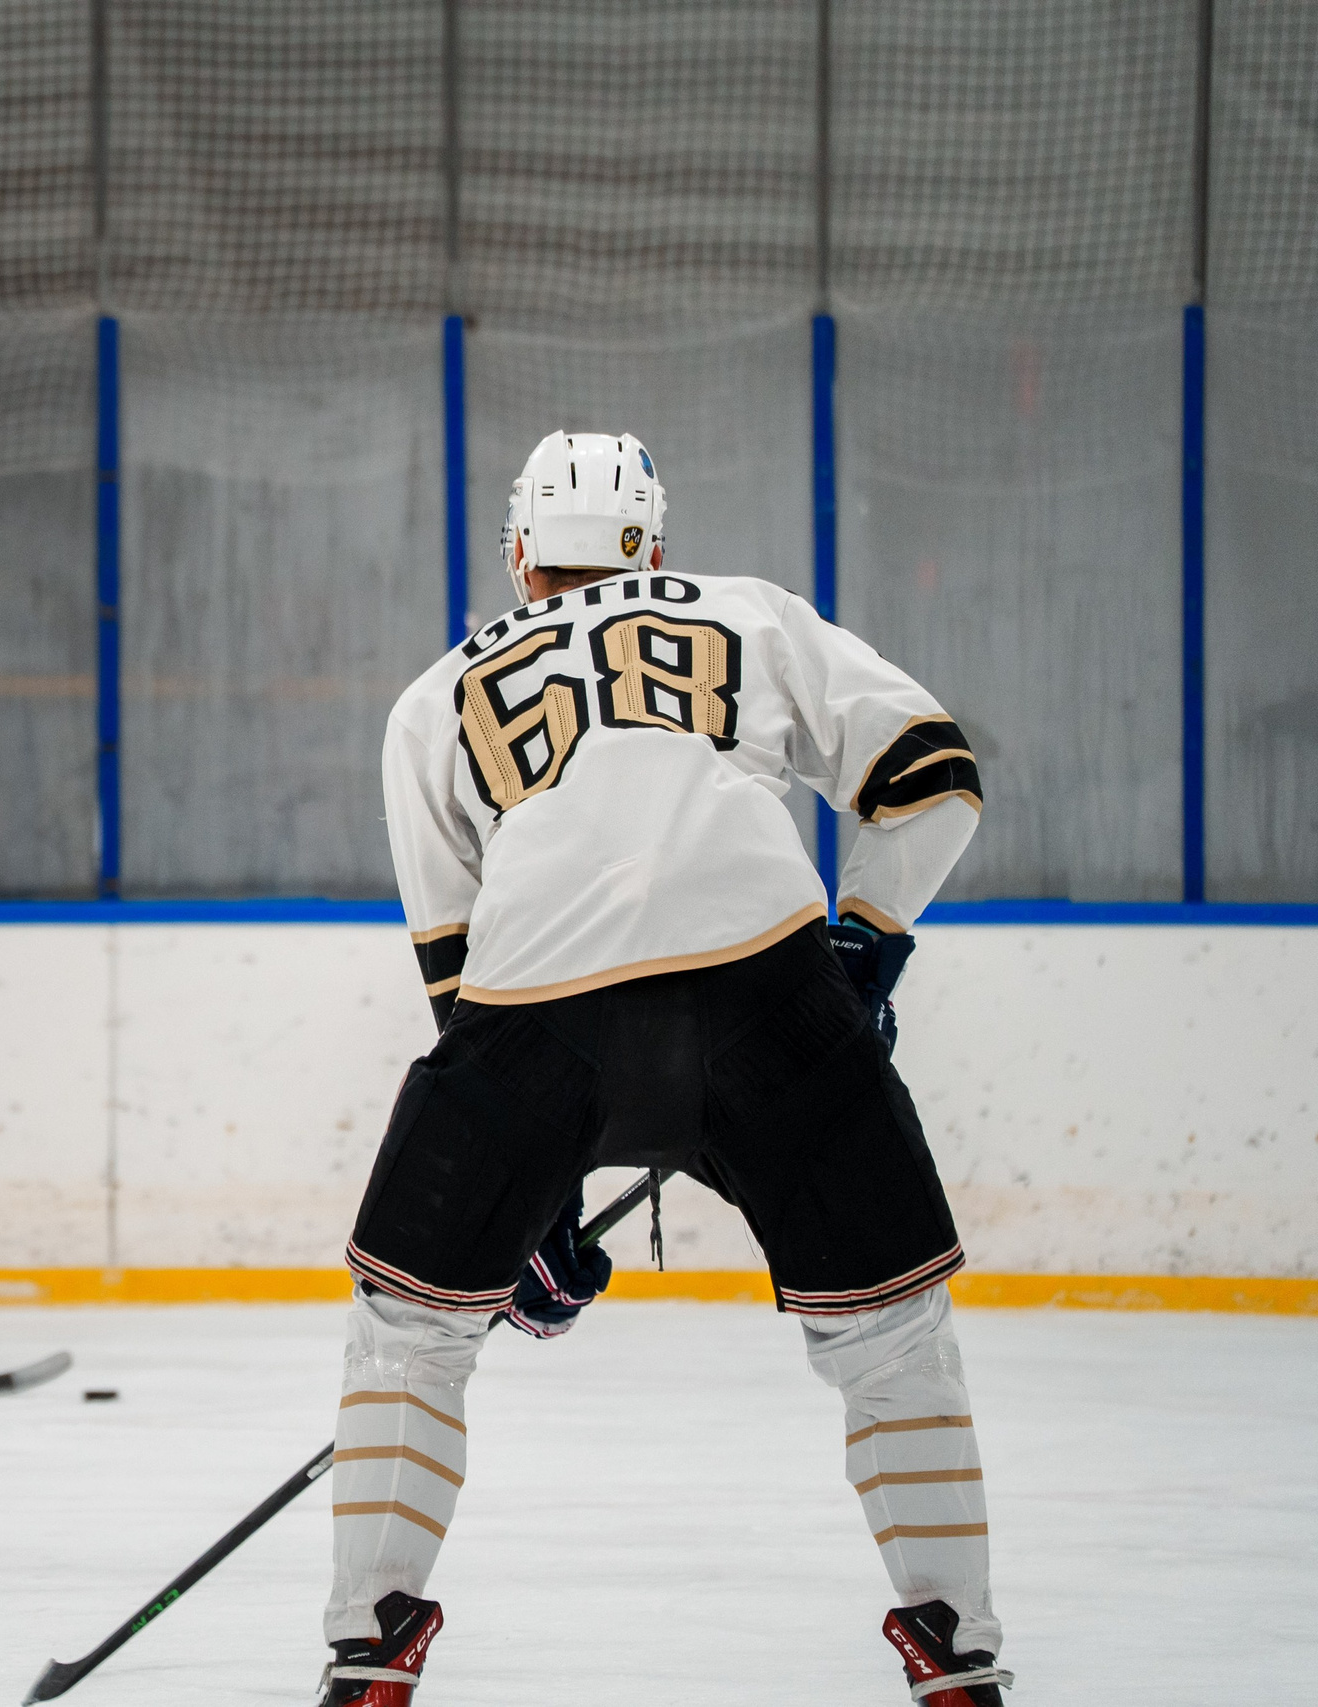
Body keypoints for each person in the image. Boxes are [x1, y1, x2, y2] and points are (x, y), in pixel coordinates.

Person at [320, 433, 1005, 1706]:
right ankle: (955, 1649)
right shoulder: (750, 613)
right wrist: (863, 948)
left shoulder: (434, 697)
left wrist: (527, 1212)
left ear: (519, 550)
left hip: (533, 1009)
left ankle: (371, 1644)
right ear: (653, 546)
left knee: (410, 1327)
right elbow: (933, 775)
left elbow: (457, 974)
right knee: (889, 1331)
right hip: (767, 987)